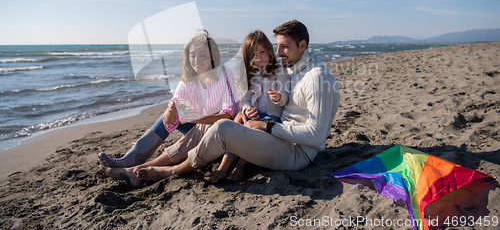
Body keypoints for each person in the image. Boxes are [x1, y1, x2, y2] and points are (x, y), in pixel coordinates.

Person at [114, 20, 340, 184]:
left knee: (222, 126)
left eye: (284, 47)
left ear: (302, 45)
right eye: (277, 46)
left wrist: (268, 125)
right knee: (208, 126)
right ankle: (138, 164)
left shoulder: (316, 76)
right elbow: (255, 88)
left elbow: (317, 136)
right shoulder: (294, 69)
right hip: (281, 139)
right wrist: (245, 110)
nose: (277, 51)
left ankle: (171, 171)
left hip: (295, 153)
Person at [98, 30, 239, 170]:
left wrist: (199, 118)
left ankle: (147, 163)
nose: (197, 60)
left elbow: (229, 114)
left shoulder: (225, 74)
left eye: (202, 55)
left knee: (210, 125)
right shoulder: (186, 82)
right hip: (196, 127)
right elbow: (171, 121)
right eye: (193, 55)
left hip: (219, 130)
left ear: (212, 56)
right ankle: (132, 157)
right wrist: (172, 111)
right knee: (170, 112)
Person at [205, 30, 289, 183]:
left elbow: (285, 96)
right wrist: (246, 109)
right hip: (254, 114)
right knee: (236, 125)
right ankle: (224, 166)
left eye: (262, 52)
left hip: (272, 117)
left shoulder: (279, 71)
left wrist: (279, 97)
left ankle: (242, 164)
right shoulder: (250, 74)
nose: (258, 57)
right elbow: (246, 98)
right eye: (253, 55)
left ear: (270, 49)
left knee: (251, 130)